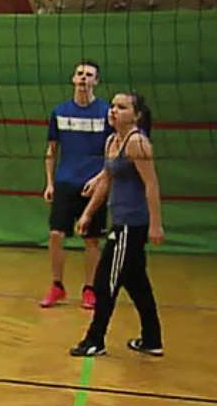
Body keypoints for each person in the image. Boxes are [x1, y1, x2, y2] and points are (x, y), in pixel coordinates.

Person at [70, 92, 164, 357]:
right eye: (112, 106)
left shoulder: (137, 143)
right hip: (119, 221)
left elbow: (152, 184)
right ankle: (152, 339)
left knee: (104, 282)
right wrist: (88, 213)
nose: (113, 110)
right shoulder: (112, 140)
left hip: (131, 225)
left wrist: (155, 224)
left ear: (136, 115)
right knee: (136, 283)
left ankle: (95, 340)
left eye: (121, 107)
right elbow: (107, 180)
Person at [42, 61, 111, 309]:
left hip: (93, 185)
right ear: (73, 79)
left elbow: (112, 153)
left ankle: (90, 289)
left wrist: (101, 178)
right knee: (55, 234)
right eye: (80, 74)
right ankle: (57, 286)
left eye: (89, 75)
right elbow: (51, 150)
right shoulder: (59, 112)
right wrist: (50, 183)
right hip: (65, 182)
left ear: (96, 81)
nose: (83, 78)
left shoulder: (106, 112)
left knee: (91, 239)